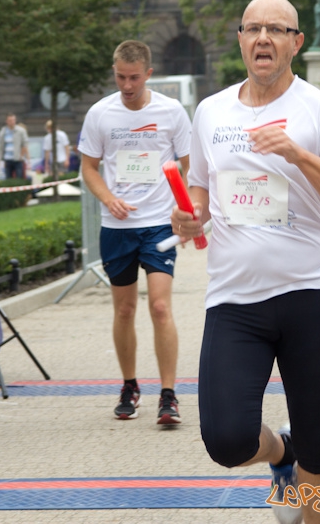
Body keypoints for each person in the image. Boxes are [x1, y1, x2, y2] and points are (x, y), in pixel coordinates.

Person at [171, 0, 320, 524]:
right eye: (253, 28)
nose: (263, 37)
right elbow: (199, 194)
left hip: (312, 294)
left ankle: (307, 479)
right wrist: (190, 217)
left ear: (295, 43)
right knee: (226, 439)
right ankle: (279, 455)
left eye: (277, 30)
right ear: (240, 38)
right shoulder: (211, 111)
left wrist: (298, 154)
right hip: (235, 300)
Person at [80, 40, 191, 426]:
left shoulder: (171, 111)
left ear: (148, 73)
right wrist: (108, 198)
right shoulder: (100, 114)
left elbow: (190, 166)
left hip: (158, 223)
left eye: (133, 78)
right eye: (120, 77)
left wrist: (185, 207)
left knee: (159, 307)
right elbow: (89, 167)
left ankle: (169, 395)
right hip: (117, 228)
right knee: (124, 309)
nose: (127, 85)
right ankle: (129, 385)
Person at [0, 113, 29, 179]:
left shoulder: (21, 131)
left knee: (19, 178)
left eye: (13, 120)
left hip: (18, 159)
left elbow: (24, 144)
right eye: (10, 120)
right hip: (7, 159)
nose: (12, 122)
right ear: (7, 121)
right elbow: (1, 147)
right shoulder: (3, 132)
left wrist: (21, 156)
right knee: (8, 177)